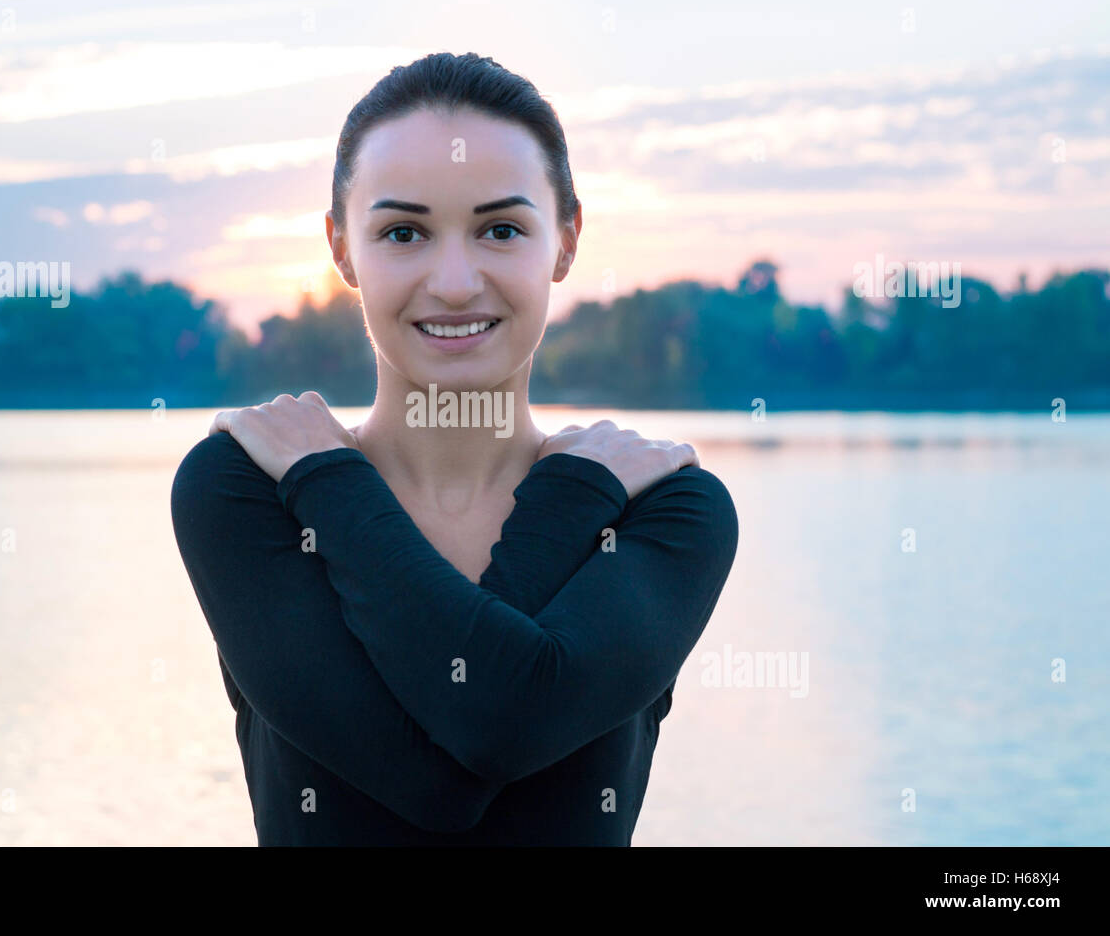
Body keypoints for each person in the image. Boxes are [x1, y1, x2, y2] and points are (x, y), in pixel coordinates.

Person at [170, 52, 738, 845]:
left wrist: (331, 484)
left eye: (500, 229)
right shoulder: (247, 490)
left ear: (567, 241)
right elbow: (430, 784)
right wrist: (328, 481)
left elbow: (502, 723)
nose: (456, 281)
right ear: (341, 250)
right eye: (404, 232)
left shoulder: (664, 507)